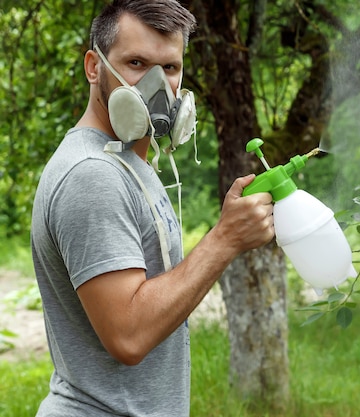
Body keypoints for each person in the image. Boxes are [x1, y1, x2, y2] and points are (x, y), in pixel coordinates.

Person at [30, 1, 275, 416]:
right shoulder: (93, 174)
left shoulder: (127, 161)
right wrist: (226, 239)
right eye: (137, 62)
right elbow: (128, 336)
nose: (158, 85)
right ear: (94, 66)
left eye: (171, 68)